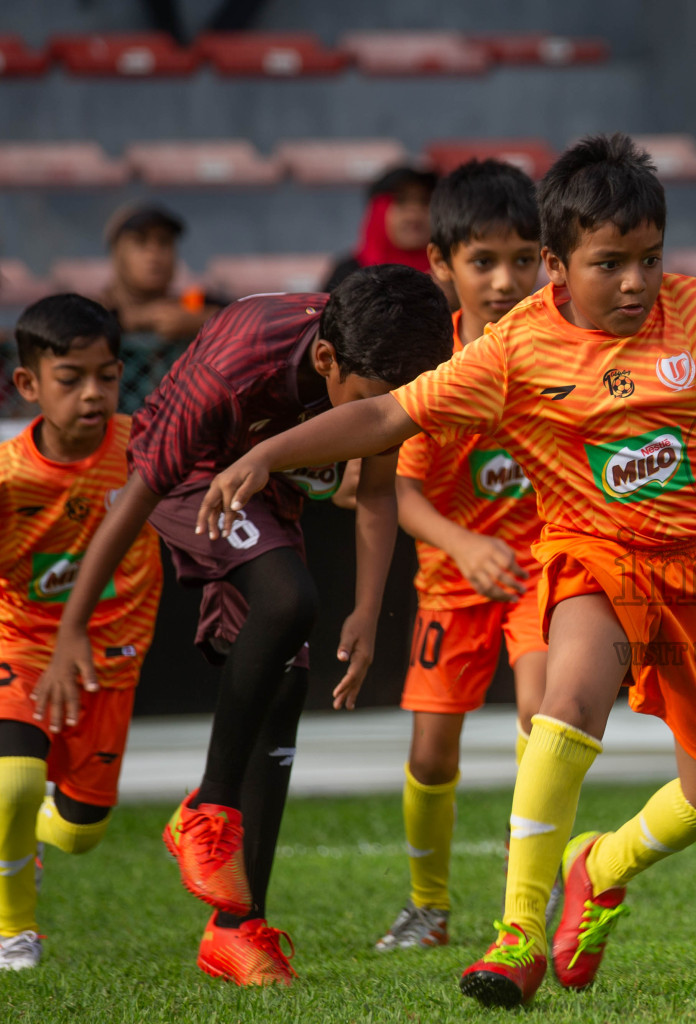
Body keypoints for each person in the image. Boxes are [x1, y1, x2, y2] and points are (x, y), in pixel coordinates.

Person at [194, 132, 696, 1009]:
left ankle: (602, 864)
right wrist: (265, 455)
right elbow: (386, 418)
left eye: (649, 260)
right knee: (565, 702)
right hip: (597, 558)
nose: (634, 283)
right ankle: (518, 933)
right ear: (557, 265)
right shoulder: (513, 352)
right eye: (610, 264)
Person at [32, 266, 453, 985]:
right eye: (378, 400)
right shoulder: (233, 370)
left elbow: (377, 488)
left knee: (285, 686)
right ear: (326, 364)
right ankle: (207, 807)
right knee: (287, 600)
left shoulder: (387, 360)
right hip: (194, 475)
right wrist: (72, 625)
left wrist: (367, 610)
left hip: (270, 486)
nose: (391, 413)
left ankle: (236, 929)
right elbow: (135, 497)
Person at [373, 159, 548, 953]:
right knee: (430, 751)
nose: (505, 280)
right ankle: (428, 908)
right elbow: (398, 496)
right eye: (483, 261)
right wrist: (466, 543)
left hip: (546, 571)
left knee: (544, 720)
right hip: (454, 579)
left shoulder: (560, 351)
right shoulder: (425, 368)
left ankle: (524, 905)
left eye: (523, 259)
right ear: (442, 266)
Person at [0, 295, 163, 971]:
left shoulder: (148, 446)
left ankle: (31, 846)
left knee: (78, 834)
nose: (93, 393)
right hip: (22, 644)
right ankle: (15, 927)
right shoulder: (8, 479)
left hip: (111, 661)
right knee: (10, 786)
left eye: (106, 374)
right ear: (29, 385)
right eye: (71, 379)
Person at [100, 202, 224, 344]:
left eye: (164, 242)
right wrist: (138, 318)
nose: (154, 254)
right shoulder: (94, 310)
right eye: (140, 242)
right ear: (118, 254)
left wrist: (203, 322)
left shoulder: (190, 304)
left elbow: (245, 317)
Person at [322, 166, 438, 292]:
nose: (414, 214)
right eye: (401, 201)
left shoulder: (452, 276)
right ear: (377, 213)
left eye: (425, 201)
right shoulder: (347, 277)